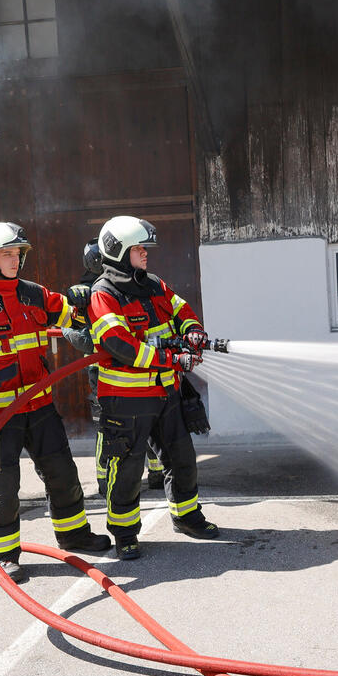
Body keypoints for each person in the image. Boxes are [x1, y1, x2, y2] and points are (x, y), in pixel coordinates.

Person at [0, 222, 110, 583]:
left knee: (63, 474)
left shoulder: (34, 294)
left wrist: (84, 300)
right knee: (3, 487)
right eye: (7, 254)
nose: (14, 260)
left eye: (17, 253)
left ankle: (73, 534)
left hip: (39, 407)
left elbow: (71, 313)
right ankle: (5, 554)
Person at [82, 215, 218, 561]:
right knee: (127, 470)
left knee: (182, 459)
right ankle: (125, 534)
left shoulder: (153, 284)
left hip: (165, 394)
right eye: (139, 248)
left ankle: (187, 517)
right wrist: (173, 360)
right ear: (119, 250)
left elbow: (180, 308)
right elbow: (120, 344)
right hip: (127, 400)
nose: (146, 254)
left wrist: (192, 331)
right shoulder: (104, 293)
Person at [61, 241, 165, 495]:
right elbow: (74, 331)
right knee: (108, 425)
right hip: (105, 372)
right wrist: (104, 344)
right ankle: (105, 477)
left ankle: (156, 471)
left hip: (141, 364)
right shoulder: (86, 292)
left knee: (149, 419)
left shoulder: (130, 284)